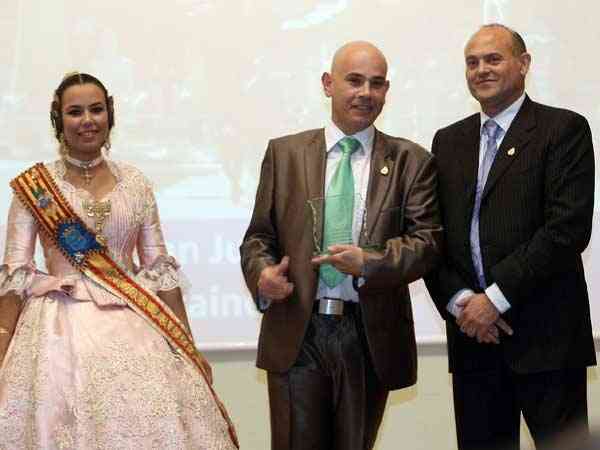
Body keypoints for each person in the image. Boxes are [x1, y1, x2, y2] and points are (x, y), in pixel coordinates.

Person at [0, 72, 238, 449]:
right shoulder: (36, 187)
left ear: (110, 114)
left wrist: (186, 343)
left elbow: (159, 268)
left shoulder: (136, 183)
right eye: (75, 112)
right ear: (58, 119)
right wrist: (3, 341)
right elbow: (16, 272)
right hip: (58, 330)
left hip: (135, 319)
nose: (87, 120)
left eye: (96, 109)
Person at [240, 41, 442, 450]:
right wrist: (263, 276)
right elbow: (258, 237)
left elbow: (427, 243)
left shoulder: (411, 160)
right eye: (354, 81)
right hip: (298, 330)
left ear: (387, 91)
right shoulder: (285, 153)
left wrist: (368, 262)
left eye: (376, 84)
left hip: (368, 337)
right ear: (328, 84)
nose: (365, 93)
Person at [425, 24, 596, 450]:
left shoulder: (563, 129)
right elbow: (433, 235)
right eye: (472, 62)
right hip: (473, 342)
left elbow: (566, 229)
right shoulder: (448, 141)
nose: (481, 69)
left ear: (523, 64)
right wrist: (463, 303)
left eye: (493, 59)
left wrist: (495, 299)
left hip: (548, 344)